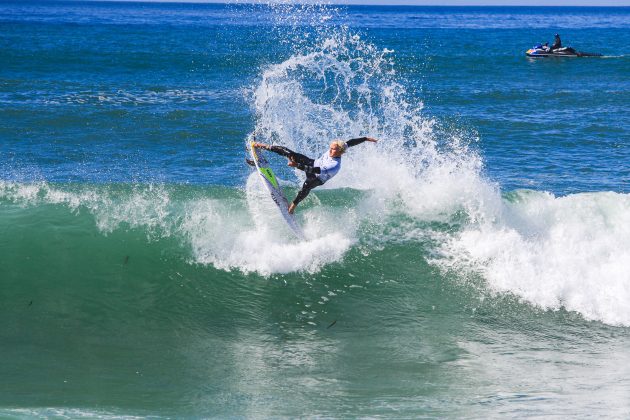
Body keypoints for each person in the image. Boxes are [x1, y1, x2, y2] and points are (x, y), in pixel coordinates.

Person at [253, 137, 378, 214]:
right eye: (330, 147)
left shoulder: (334, 165)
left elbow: (315, 170)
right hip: (313, 163)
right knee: (290, 153)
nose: (330, 150)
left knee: (306, 185)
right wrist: (366, 138)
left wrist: (297, 166)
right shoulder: (340, 147)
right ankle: (263, 146)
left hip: (318, 177)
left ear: (340, 151)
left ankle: (293, 206)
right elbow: (351, 142)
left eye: (333, 149)